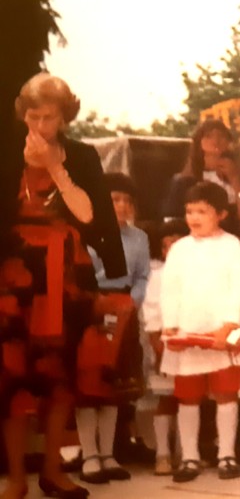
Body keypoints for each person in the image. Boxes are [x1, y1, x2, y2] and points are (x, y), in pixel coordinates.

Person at [0, 72, 126, 499]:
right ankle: (15, 478)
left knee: (60, 376)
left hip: (64, 277)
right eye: (32, 116)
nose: (39, 126)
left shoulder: (82, 156)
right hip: (13, 279)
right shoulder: (6, 154)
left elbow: (91, 217)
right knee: (11, 377)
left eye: (48, 117)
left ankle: (53, 471)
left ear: (65, 116)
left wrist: (54, 167)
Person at [159, 181, 240, 483]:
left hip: (219, 331)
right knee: (189, 397)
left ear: (221, 214)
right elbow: (170, 288)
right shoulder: (180, 249)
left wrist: (228, 323)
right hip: (187, 330)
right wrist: (170, 323)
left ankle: (226, 455)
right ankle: (189, 457)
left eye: (202, 211)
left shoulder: (232, 246)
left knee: (225, 393)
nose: (194, 217)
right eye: (189, 211)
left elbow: (238, 287)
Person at [76, 172, 150, 485]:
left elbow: (143, 276)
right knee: (87, 385)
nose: (121, 205)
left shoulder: (139, 238)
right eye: (115, 199)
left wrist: (130, 302)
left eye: (126, 200)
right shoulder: (85, 232)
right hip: (91, 309)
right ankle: (89, 454)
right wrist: (94, 303)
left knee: (113, 386)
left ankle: (108, 453)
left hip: (124, 308)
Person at [141, 220, 188, 475]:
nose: (171, 249)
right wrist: (158, 348)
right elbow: (151, 315)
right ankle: (163, 454)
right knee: (165, 399)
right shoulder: (157, 276)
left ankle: (183, 453)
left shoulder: (195, 274)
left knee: (187, 399)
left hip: (191, 345)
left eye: (177, 244)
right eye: (166, 245)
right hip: (165, 345)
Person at [162, 119, 240, 232]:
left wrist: (235, 180)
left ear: (229, 142)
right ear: (199, 142)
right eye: (208, 136)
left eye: (221, 136)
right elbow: (171, 223)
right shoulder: (183, 181)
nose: (216, 140)